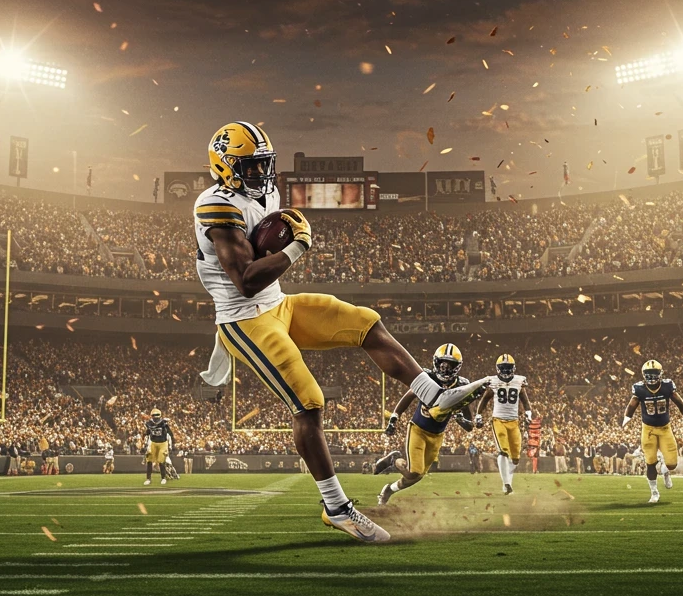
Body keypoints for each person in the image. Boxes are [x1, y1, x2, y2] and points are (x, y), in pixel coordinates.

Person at [193, 122, 490, 542]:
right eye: (252, 166)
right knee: (309, 402)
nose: (263, 174)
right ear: (225, 167)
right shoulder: (215, 205)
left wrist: (287, 246)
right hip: (244, 319)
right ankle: (336, 507)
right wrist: (297, 246)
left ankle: (432, 393)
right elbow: (245, 280)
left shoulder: (266, 195)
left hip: (280, 305)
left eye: (265, 164)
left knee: (364, 321)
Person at [375, 344, 478, 506]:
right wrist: (394, 417)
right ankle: (394, 459)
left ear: (456, 367)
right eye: (442, 363)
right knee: (413, 471)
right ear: (436, 363)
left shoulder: (461, 386)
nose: (444, 368)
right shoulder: (428, 377)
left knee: (416, 477)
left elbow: (470, 425)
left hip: (437, 436)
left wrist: (462, 421)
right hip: (418, 429)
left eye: (449, 364)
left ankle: (389, 490)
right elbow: (409, 395)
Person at [622, 359, 683, 504]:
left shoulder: (667, 386)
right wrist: (627, 418)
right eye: (649, 374)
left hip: (665, 429)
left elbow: (680, 403)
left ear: (660, 374)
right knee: (650, 462)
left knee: (672, 464)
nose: (651, 377)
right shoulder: (639, 388)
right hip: (648, 429)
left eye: (654, 373)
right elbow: (632, 404)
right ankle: (654, 493)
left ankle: (665, 471)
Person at [474, 354, 530, 494]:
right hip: (498, 420)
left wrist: (528, 413)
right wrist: (479, 414)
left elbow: (525, 400)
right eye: (503, 368)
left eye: (508, 368)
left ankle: (507, 482)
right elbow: (485, 399)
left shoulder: (519, 381)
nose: (505, 371)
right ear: (498, 368)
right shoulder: (493, 382)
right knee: (503, 451)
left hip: (514, 421)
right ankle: (506, 484)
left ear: (513, 368)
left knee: (516, 458)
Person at [143, 408, 173, 486]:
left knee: (161, 461)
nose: (155, 417)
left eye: (157, 415)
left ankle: (163, 478)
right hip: (153, 443)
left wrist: (172, 443)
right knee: (149, 460)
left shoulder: (164, 423)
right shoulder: (149, 423)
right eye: (154, 415)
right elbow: (148, 432)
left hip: (163, 443)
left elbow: (170, 433)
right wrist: (145, 436)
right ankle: (148, 479)